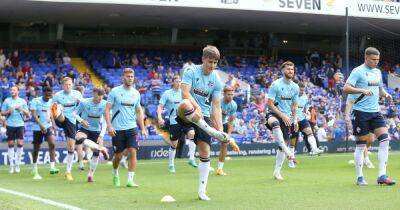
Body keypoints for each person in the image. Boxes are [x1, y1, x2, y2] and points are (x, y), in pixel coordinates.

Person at [175, 45, 239, 201]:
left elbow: (216, 106)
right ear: (203, 59)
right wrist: (196, 106)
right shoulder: (191, 71)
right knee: (185, 104)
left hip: (203, 116)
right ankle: (204, 131)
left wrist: (219, 128)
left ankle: (202, 191)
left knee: (205, 153)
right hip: (187, 112)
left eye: (215, 62)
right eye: (210, 61)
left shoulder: (216, 80)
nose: (212, 65)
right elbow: (184, 93)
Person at [343, 47, 395, 186]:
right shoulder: (358, 71)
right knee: (361, 145)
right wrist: (362, 90)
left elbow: (379, 89)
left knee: (385, 140)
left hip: (375, 112)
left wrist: (386, 94)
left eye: (378, 60)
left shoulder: (377, 72)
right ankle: (360, 177)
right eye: (373, 60)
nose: (376, 62)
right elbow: (346, 88)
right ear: (366, 58)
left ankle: (382, 176)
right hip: (360, 112)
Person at [105, 68, 148, 188]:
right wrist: (109, 126)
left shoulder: (136, 93)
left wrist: (143, 128)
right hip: (117, 129)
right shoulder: (114, 92)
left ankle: (130, 180)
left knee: (133, 152)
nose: (130, 78)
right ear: (123, 78)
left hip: (131, 128)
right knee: (118, 156)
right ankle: (115, 172)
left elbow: (139, 111)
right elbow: (107, 109)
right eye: (128, 76)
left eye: (132, 76)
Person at [265, 61, 299, 181]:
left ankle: (277, 172)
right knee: (275, 123)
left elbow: (294, 106)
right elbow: (269, 104)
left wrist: (295, 120)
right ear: (283, 70)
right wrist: (282, 115)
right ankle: (289, 153)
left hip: (287, 117)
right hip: (274, 113)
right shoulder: (276, 84)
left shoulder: (295, 87)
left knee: (282, 146)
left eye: (292, 69)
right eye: (288, 69)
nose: (291, 71)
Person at [157, 75, 197, 173]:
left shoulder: (184, 93)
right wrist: (159, 117)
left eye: (180, 81)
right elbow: (160, 107)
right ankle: (171, 164)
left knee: (192, 134)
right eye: (177, 81)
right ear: (173, 82)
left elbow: (192, 104)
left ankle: (191, 158)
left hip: (186, 120)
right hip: (174, 121)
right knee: (174, 144)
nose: (179, 83)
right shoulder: (167, 94)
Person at [51, 77, 84, 181]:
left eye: (70, 84)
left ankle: (68, 171)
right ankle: (60, 110)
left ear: (72, 84)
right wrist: (53, 123)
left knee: (71, 146)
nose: (68, 86)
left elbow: (84, 106)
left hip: (72, 121)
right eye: (66, 85)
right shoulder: (57, 95)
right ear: (62, 85)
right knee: (58, 108)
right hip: (60, 118)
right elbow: (51, 110)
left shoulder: (77, 94)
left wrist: (80, 101)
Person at [75, 87, 109, 182]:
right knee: (78, 137)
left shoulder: (104, 104)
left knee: (96, 154)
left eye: (102, 96)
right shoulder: (85, 103)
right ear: (94, 94)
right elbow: (75, 113)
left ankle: (90, 175)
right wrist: (82, 121)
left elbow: (106, 120)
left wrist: (101, 136)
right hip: (85, 128)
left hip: (96, 131)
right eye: (99, 95)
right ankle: (101, 148)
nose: (100, 98)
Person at [288, 82, 323, 168]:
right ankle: (291, 161)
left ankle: (314, 149)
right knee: (293, 142)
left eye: (303, 90)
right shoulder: (291, 96)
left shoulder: (305, 97)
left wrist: (306, 112)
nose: (302, 91)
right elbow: (290, 108)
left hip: (302, 119)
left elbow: (305, 107)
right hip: (293, 121)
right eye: (301, 89)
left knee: (309, 132)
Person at [30, 87, 60, 179]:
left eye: (50, 95)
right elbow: (34, 115)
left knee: (52, 143)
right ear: (43, 93)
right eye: (47, 94)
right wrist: (40, 125)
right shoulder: (35, 101)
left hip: (48, 126)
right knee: (36, 149)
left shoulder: (52, 102)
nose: (48, 96)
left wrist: (54, 124)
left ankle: (52, 167)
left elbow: (51, 114)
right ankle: (34, 168)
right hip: (37, 127)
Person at [1, 86, 30, 174]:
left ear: (18, 91)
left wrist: (21, 109)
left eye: (14, 90)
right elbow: (2, 113)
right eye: (11, 90)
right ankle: (11, 166)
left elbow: (28, 114)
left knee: (20, 144)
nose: (12, 91)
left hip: (20, 124)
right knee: (10, 144)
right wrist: (9, 111)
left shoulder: (22, 101)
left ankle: (17, 164)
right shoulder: (7, 100)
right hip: (10, 124)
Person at [345, 93, 375, 169]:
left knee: (371, 139)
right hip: (358, 116)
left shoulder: (368, 89)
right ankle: (366, 160)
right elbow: (349, 103)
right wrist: (347, 116)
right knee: (363, 140)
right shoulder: (353, 92)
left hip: (370, 114)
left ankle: (360, 155)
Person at [216, 85, 237, 176]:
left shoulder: (233, 105)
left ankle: (220, 169)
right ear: (224, 94)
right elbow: (214, 116)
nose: (231, 96)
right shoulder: (218, 101)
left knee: (224, 145)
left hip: (223, 122)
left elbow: (231, 120)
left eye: (232, 94)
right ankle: (206, 165)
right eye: (228, 94)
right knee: (206, 143)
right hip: (212, 120)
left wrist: (228, 134)